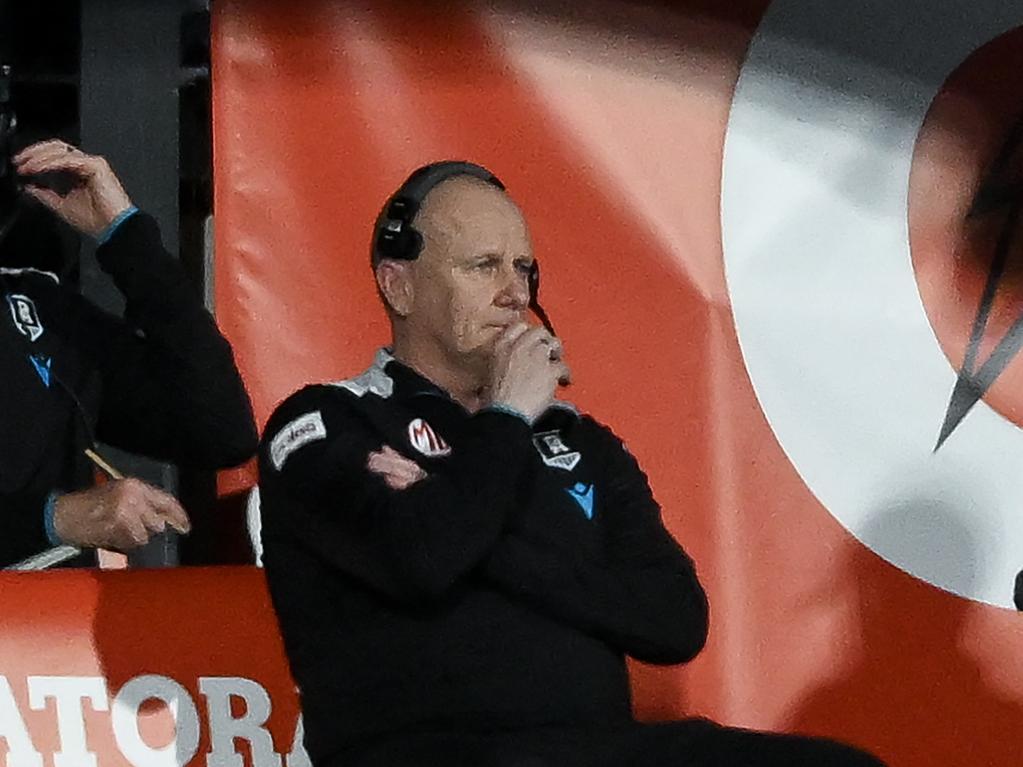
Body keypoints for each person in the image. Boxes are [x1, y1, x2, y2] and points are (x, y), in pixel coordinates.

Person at [258, 162, 884, 766]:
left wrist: (474, 526)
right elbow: (421, 560)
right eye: (483, 266)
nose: (515, 294)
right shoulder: (327, 423)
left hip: (596, 748)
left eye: (523, 268)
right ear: (399, 285)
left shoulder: (577, 439)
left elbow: (673, 621)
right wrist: (505, 420)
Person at [0, 139, 257, 568]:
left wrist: (124, 234)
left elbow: (218, 428)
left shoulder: (34, 306)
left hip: (58, 630)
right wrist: (54, 518)